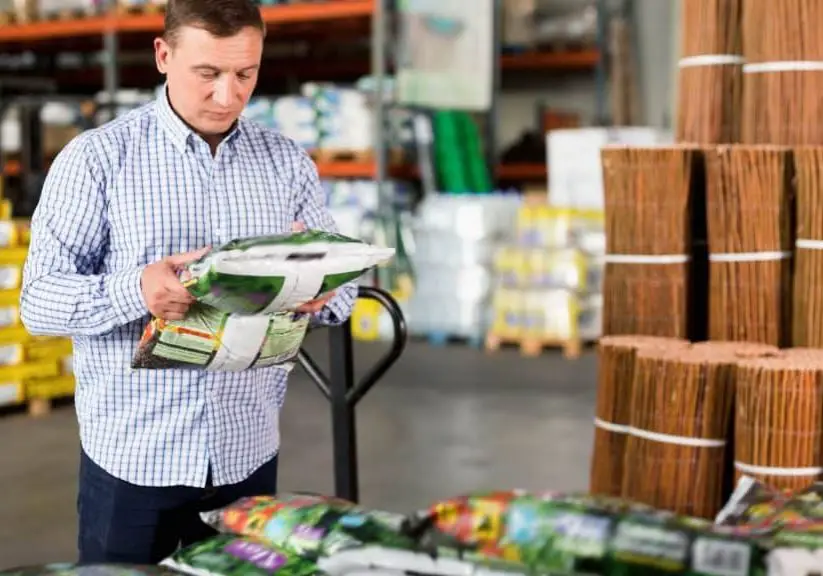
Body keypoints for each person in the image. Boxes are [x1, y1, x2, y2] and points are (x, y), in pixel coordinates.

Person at [19, 0, 357, 564]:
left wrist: (319, 291)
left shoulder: (286, 164)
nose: (228, 96)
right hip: (134, 457)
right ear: (163, 55)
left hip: (245, 454)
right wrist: (137, 290)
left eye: (245, 74)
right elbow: (38, 302)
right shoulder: (97, 160)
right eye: (208, 74)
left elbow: (342, 294)